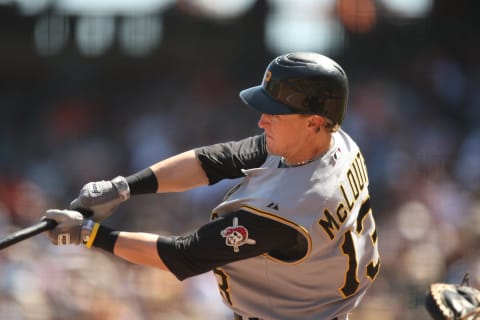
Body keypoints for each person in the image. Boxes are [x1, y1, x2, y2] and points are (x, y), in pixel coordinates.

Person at [42, 52, 380, 320]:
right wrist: (123, 188)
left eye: (275, 114)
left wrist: (89, 234)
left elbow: (184, 255)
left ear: (313, 122)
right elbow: (219, 160)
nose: (262, 120)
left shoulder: (290, 210)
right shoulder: (335, 142)